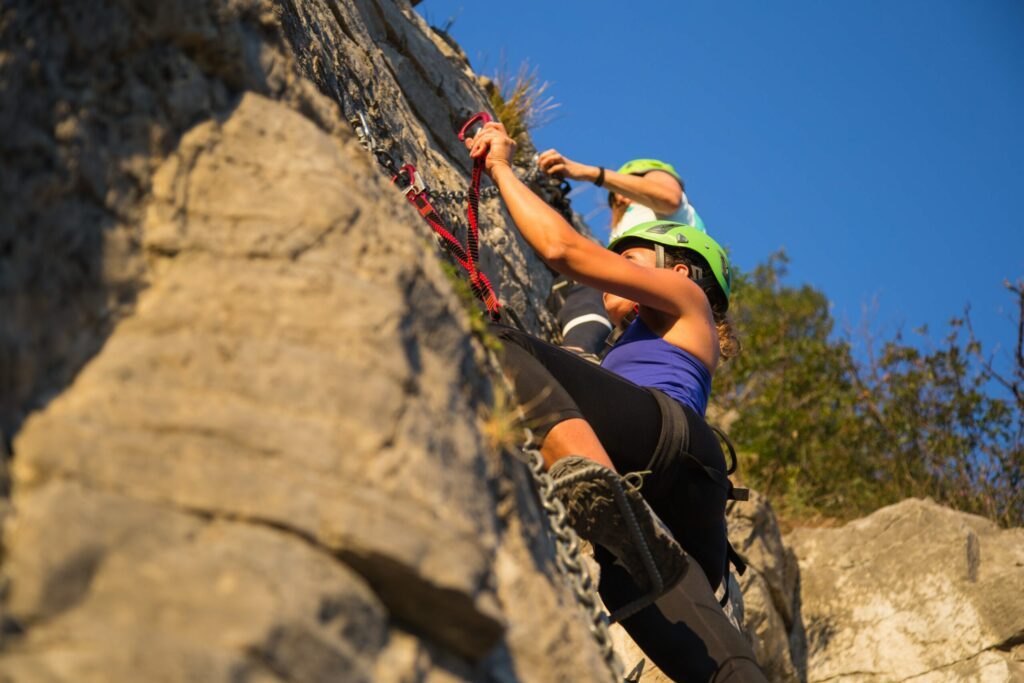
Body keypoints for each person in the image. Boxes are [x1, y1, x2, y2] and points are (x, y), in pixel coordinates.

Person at [465, 122, 763, 681]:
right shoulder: (630, 347)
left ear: (679, 266)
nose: (615, 272)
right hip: (686, 500)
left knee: (494, 341)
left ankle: (600, 484)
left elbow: (561, 249)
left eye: (630, 257)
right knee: (648, 601)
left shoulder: (687, 297)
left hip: (661, 440)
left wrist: (501, 166)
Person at [538, 152, 708, 356]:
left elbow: (668, 196)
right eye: (616, 194)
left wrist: (590, 173)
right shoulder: (624, 229)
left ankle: (576, 352)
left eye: (629, 183)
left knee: (597, 281)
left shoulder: (675, 211)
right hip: (662, 303)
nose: (619, 195)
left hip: (666, 285)